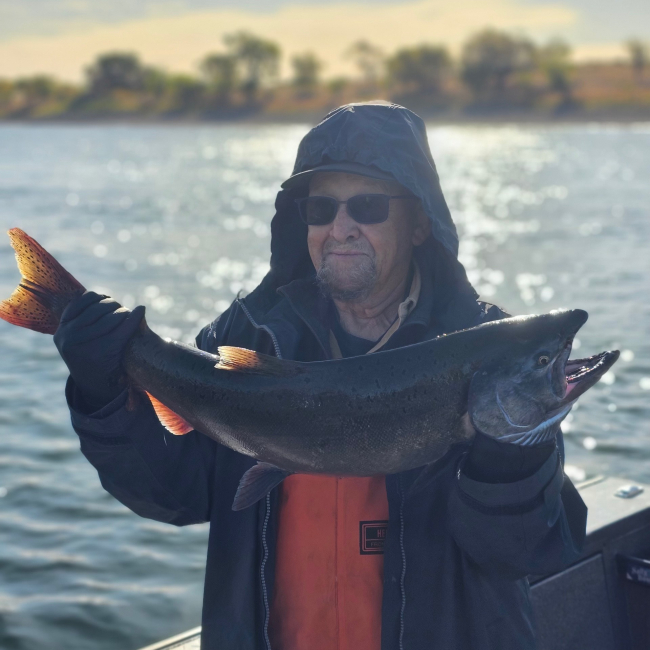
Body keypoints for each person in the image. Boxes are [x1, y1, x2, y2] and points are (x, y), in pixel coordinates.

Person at [55, 102, 587, 650]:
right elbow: (173, 493)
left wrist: (510, 461)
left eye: (369, 205)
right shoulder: (249, 331)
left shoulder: (495, 349)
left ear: (420, 223)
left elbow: (525, 552)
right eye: (320, 208)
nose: (340, 227)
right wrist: (104, 397)